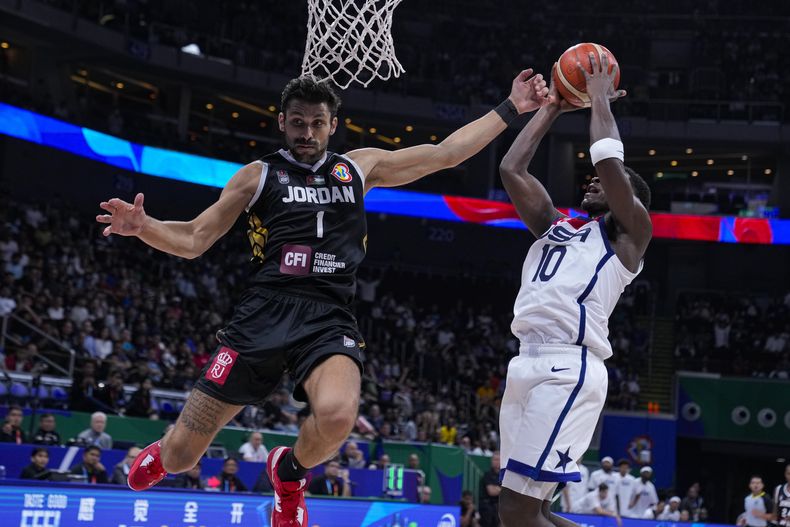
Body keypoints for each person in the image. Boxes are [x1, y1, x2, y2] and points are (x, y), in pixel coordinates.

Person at [99, 70, 548, 526]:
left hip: (327, 316)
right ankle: (165, 451)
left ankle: (288, 476)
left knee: (336, 416)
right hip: (261, 316)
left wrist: (510, 107)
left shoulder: (358, 166)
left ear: (333, 125)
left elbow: (444, 155)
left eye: (317, 123)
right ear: (281, 123)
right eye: (298, 123)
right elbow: (195, 238)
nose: (307, 133)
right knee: (180, 457)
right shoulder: (257, 176)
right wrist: (144, 227)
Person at [496, 53, 647, 527]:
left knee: (516, 515)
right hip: (525, 361)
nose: (592, 182)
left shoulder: (629, 235)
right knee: (531, 510)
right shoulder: (556, 228)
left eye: (606, 186)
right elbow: (512, 170)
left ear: (629, 198)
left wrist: (600, 97)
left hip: (569, 367)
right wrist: (552, 109)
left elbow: (606, 160)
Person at [479, 451, 501, 527]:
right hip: (487, 507)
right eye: (495, 459)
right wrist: (502, 489)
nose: (496, 462)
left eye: (498, 460)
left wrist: (498, 489)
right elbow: (491, 492)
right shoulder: (488, 475)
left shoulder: (503, 476)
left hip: (498, 507)